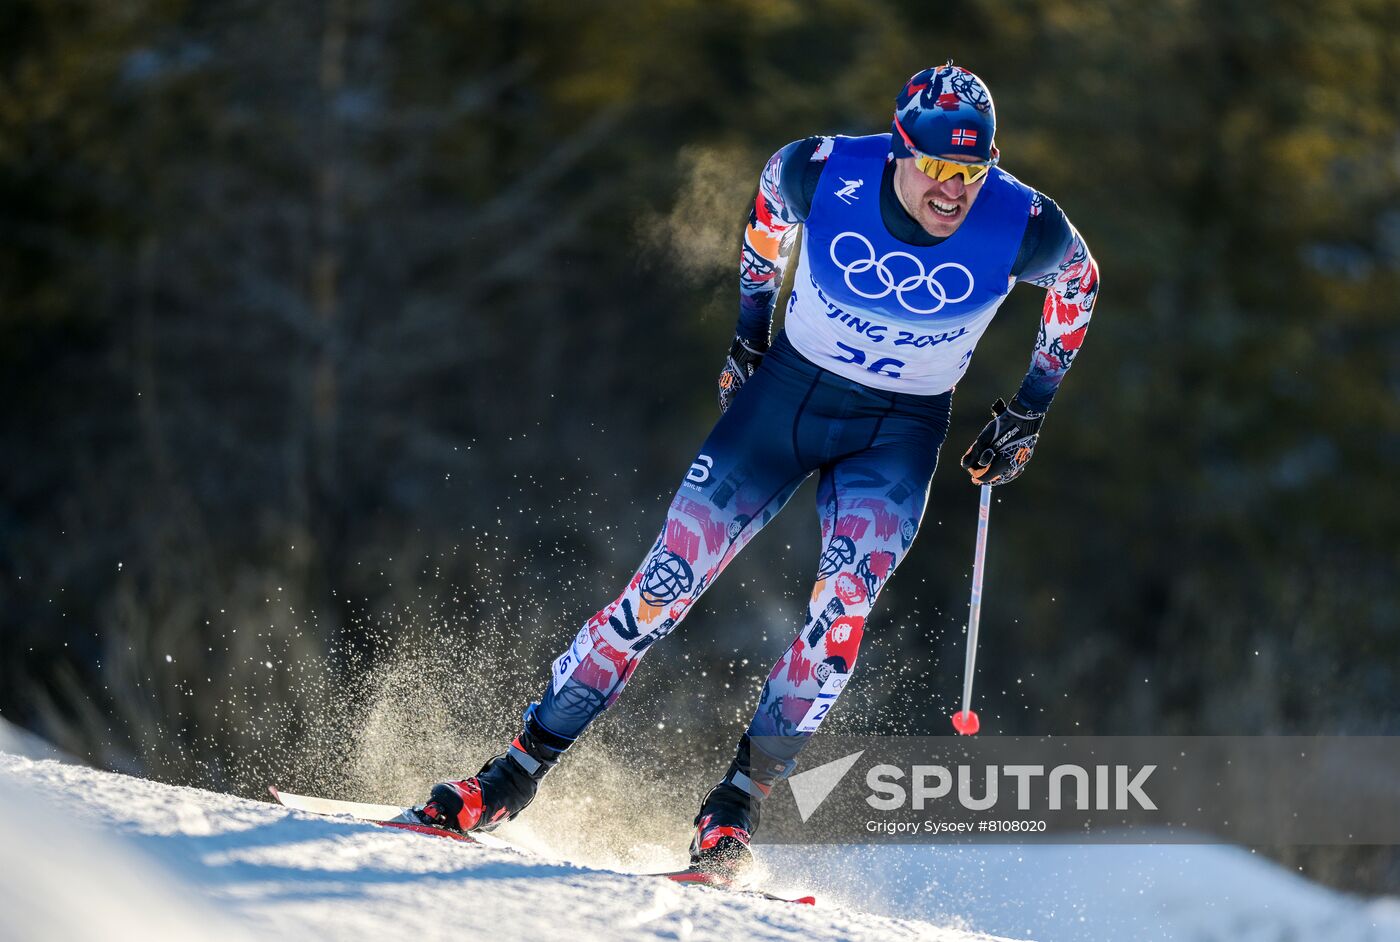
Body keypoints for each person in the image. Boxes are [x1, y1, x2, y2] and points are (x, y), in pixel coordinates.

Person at [410, 62, 1100, 877]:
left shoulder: (1025, 223)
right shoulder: (822, 169)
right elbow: (768, 218)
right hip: (785, 402)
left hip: (898, 431)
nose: (954, 192)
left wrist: (1027, 410)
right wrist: (748, 331)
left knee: (842, 615)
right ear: (898, 150)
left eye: (973, 172)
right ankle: (513, 773)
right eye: (939, 169)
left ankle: (735, 806)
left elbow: (1080, 286)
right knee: (660, 590)